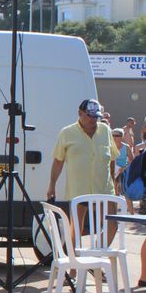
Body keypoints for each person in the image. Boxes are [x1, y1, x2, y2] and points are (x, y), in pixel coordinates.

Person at [47, 98, 120, 245]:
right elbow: (58, 160)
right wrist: (52, 185)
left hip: (103, 188)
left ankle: (95, 257)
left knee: (112, 225)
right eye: (89, 115)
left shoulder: (105, 130)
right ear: (79, 113)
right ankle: (74, 267)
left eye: (96, 116)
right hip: (79, 188)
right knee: (76, 229)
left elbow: (112, 158)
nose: (93, 119)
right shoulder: (67, 133)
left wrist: (113, 182)